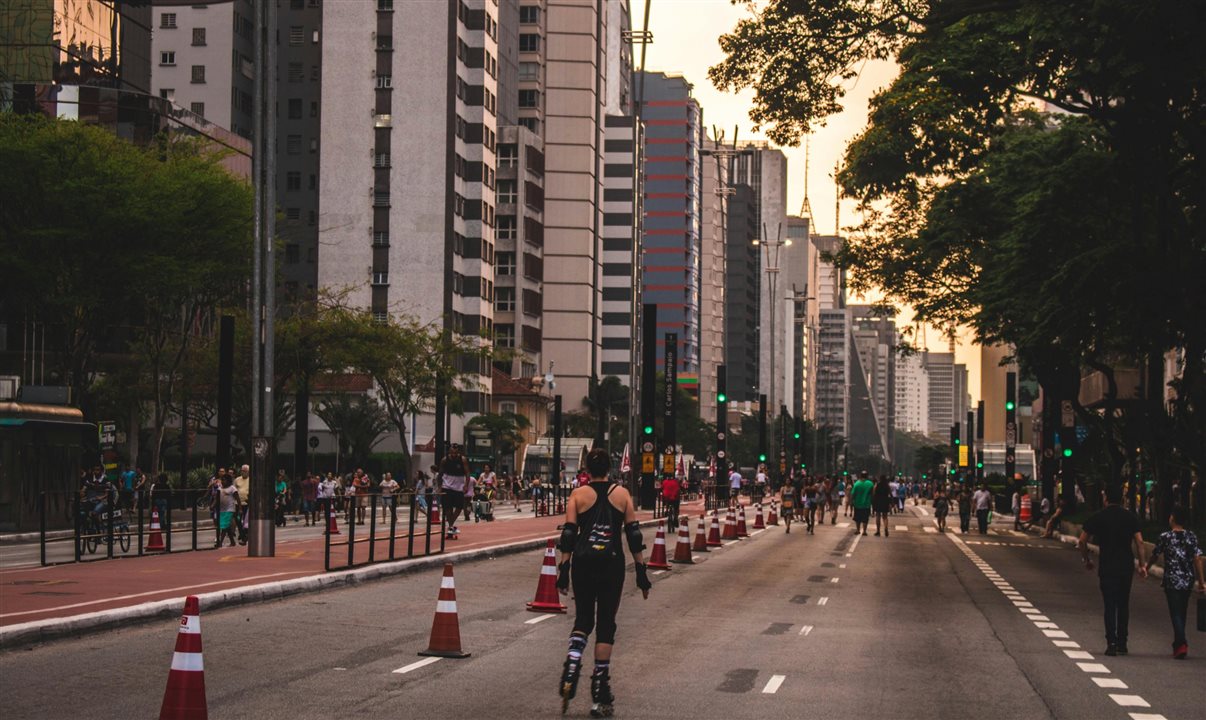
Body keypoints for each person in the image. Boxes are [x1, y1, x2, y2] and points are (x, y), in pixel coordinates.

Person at [556, 448, 650, 717]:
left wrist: (564, 568)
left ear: (586, 469)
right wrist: (641, 572)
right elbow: (633, 535)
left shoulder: (577, 495)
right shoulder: (622, 495)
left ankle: (572, 663)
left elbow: (569, 535)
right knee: (606, 623)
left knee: (583, 620)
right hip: (612, 564)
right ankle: (600, 690)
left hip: (583, 563)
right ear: (610, 468)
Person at [1079, 485, 1148, 656]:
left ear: (1106, 498)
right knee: (1123, 603)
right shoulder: (1130, 517)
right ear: (1123, 499)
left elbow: (1082, 540)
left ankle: (1111, 642)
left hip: (1107, 565)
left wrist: (1086, 559)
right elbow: (1139, 542)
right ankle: (1122, 643)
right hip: (1125, 566)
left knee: (1109, 604)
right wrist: (1142, 565)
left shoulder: (1099, 516)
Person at [1143, 507, 1205, 659]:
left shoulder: (1166, 536)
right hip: (1188, 579)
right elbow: (1197, 559)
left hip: (1172, 579)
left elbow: (1155, 554)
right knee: (1181, 610)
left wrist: (1146, 567)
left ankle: (1181, 642)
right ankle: (1178, 644)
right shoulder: (1191, 536)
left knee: (1175, 612)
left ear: (1173, 518)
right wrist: (1201, 581)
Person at [440, 444, 470, 538]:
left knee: (459, 507)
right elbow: (440, 473)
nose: (453, 454)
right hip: (447, 486)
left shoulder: (463, 459)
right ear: (449, 452)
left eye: (455, 453)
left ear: (458, 453)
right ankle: (451, 527)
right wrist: (439, 485)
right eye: (452, 452)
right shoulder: (445, 460)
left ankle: (450, 525)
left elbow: (467, 473)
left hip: (458, 487)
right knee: (448, 508)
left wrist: (466, 485)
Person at [213, 473, 240, 548]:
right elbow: (216, 499)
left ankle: (220, 542)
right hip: (221, 510)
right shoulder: (219, 489)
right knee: (226, 526)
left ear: (228, 481)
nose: (222, 481)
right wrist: (213, 505)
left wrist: (240, 508)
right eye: (222, 480)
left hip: (230, 509)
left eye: (224, 480)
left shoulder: (232, 488)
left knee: (224, 526)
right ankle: (232, 541)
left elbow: (237, 499)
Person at [849, 472, 874, 536]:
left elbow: (853, 494)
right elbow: (872, 494)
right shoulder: (870, 484)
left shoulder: (857, 484)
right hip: (867, 504)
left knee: (857, 518)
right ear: (867, 476)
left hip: (857, 504)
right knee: (865, 518)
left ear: (860, 476)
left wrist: (851, 501)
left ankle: (858, 530)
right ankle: (864, 531)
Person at [234, 464, 251, 545]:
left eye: (245, 471)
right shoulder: (237, 479)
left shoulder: (251, 480)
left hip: (247, 503)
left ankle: (244, 537)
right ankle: (243, 535)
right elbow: (234, 490)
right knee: (237, 520)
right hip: (237, 503)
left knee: (246, 522)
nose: (243, 472)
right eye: (242, 470)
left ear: (248, 472)